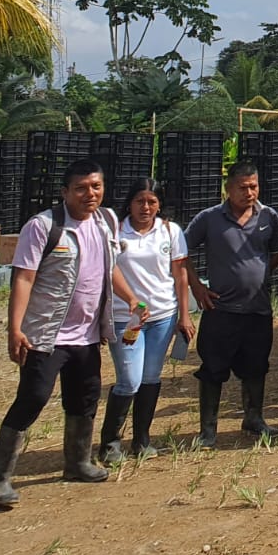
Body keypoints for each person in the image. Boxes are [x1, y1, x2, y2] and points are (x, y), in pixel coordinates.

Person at [0, 160, 129, 507]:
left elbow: (110, 269)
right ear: (65, 192)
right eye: (80, 188)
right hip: (46, 335)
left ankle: (78, 463)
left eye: (95, 186)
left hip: (88, 335)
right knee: (33, 398)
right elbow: (24, 277)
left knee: (85, 397)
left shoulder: (107, 221)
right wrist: (15, 329)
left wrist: (133, 299)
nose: (89, 194)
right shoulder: (44, 226)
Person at [188, 161, 278, 448]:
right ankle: (208, 430)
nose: (249, 192)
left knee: (256, 366)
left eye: (254, 186)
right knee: (212, 369)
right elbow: (181, 252)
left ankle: (254, 418)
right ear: (228, 189)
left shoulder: (269, 216)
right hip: (220, 310)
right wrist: (197, 287)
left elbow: (277, 252)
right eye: (242, 187)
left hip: (257, 310)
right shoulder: (209, 219)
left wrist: (259, 275)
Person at [98, 179, 193, 464]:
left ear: (160, 205)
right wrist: (131, 300)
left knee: (151, 377)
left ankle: (141, 439)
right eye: (140, 201)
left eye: (152, 202)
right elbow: (109, 268)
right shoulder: (115, 231)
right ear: (129, 202)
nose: (146, 207)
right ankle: (110, 442)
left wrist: (185, 315)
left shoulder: (169, 231)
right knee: (129, 379)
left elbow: (180, 274)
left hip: (162, 316)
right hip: (127, 318)